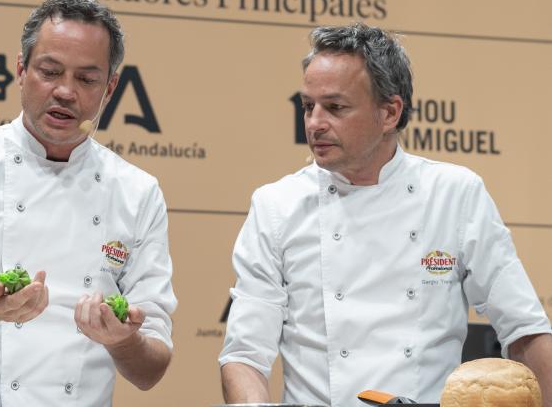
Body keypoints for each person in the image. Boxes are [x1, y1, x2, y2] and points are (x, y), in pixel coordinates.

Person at [218, 22, 552, 406]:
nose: (313, 123)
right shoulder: (276, 205)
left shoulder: (455, 194)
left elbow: (526, 330)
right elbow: (244, 356)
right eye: (308, 106)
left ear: (390, 112)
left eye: (335, 107)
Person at [0, 0, 176, 406]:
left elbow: (151, 371)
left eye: (87, 79)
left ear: (110, 88)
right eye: (50, 71)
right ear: (21, 70)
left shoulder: (137, 192)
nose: (65, 91)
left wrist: (121, 341)